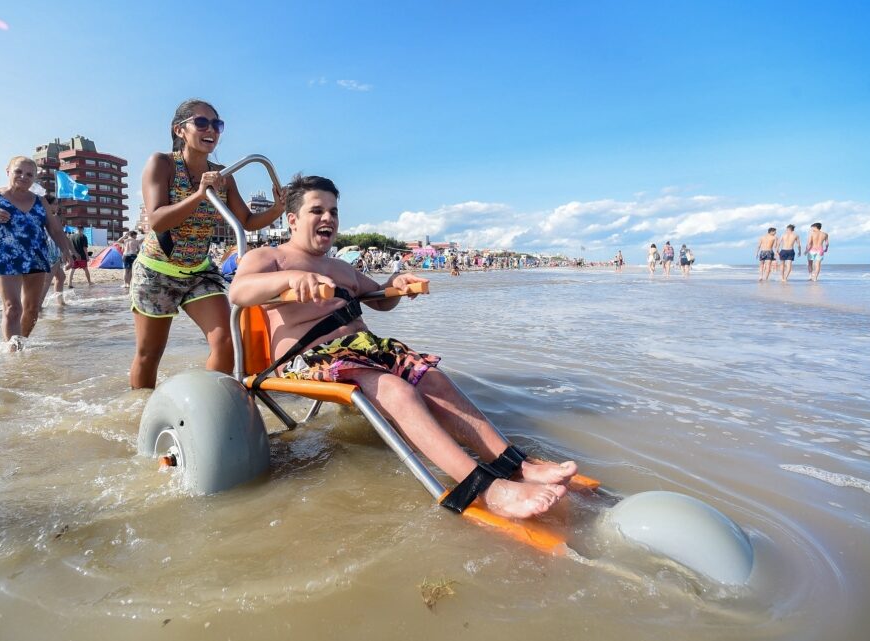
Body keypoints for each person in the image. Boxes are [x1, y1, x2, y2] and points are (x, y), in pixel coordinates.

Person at [229, 175, 575, 519]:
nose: (328, 218)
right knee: (397, 390)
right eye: (316, 210)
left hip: (368, 349)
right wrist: (290, 279)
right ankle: (486, 489)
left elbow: (379, 300)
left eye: (333, 211)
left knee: (433, 379)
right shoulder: (272, 258)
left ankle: (516, 464)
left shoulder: (340, 268)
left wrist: (395, 285)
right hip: (313, 359)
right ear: (292, 220)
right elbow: (239, 292)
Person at [130, 98, 285, 389]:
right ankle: (141, 414)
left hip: (199, 272)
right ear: (179, 130)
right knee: (149, 354)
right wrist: (201, 194)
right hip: (156, 272)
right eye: (201, 122)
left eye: (217, 124)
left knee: (226, 341)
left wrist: (277, 210)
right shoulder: (162, 164)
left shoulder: (223, 177)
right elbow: (158, 220)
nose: (211, 129)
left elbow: (247, 222)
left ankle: (209, 405)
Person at [0, 156, 73, 347]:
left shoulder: (40, 201)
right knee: (12, 308)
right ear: (8, 172)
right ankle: (13, 352)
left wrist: (65, 249)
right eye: (18, 171)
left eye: (29, 174)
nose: (23, 177)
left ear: (34, 178)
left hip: (36, 257)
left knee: (32, 309)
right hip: (5, 257)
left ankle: (20, 344)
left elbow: (54, 228)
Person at [39, 196, 67, 307]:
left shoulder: (45, 216)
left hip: (51, 248)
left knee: (61, 277)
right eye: (55, 204)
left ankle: (60, 302)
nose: (58, 206)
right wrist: (70, 252)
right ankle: (38, 305)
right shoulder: (52, 217)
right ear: (47, 204)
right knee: (47, 280)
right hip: (51, 250)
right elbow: (61, 235)